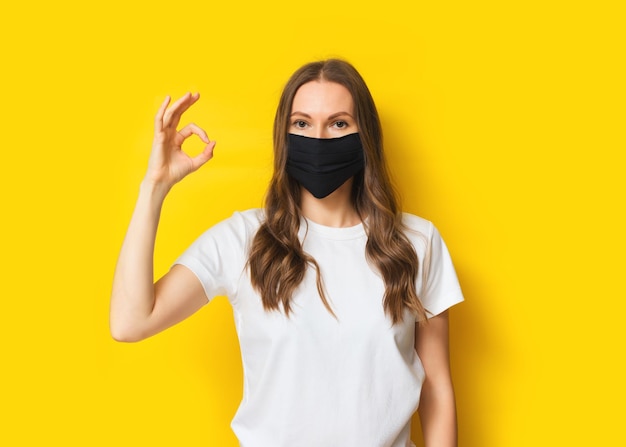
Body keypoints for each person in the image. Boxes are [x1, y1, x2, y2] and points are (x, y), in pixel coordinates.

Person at [110, 59, 464, 447]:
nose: (319, 138)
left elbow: (437, 389)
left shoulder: (417, 242)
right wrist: (154, 187)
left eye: (339, 123)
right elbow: (130, 322)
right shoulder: (242, 240)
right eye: (302, 123)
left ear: (365, 135)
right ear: (285, 133)